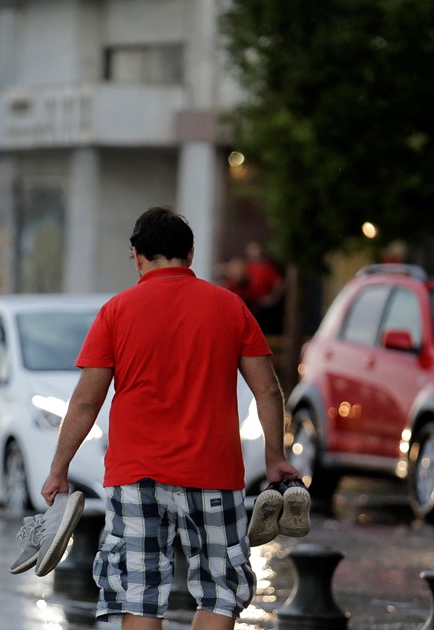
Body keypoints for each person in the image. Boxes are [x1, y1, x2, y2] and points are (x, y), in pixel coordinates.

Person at [41, 207, 300, 630]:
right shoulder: (230, 307)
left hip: (136, 475)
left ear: (137, 256)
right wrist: (275, 457)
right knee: (221, 589)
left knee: (139, 593)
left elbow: (86, 402)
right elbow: (268, 390)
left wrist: (59, 469)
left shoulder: (116, 311)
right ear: (191, 254)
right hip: (214, 472)